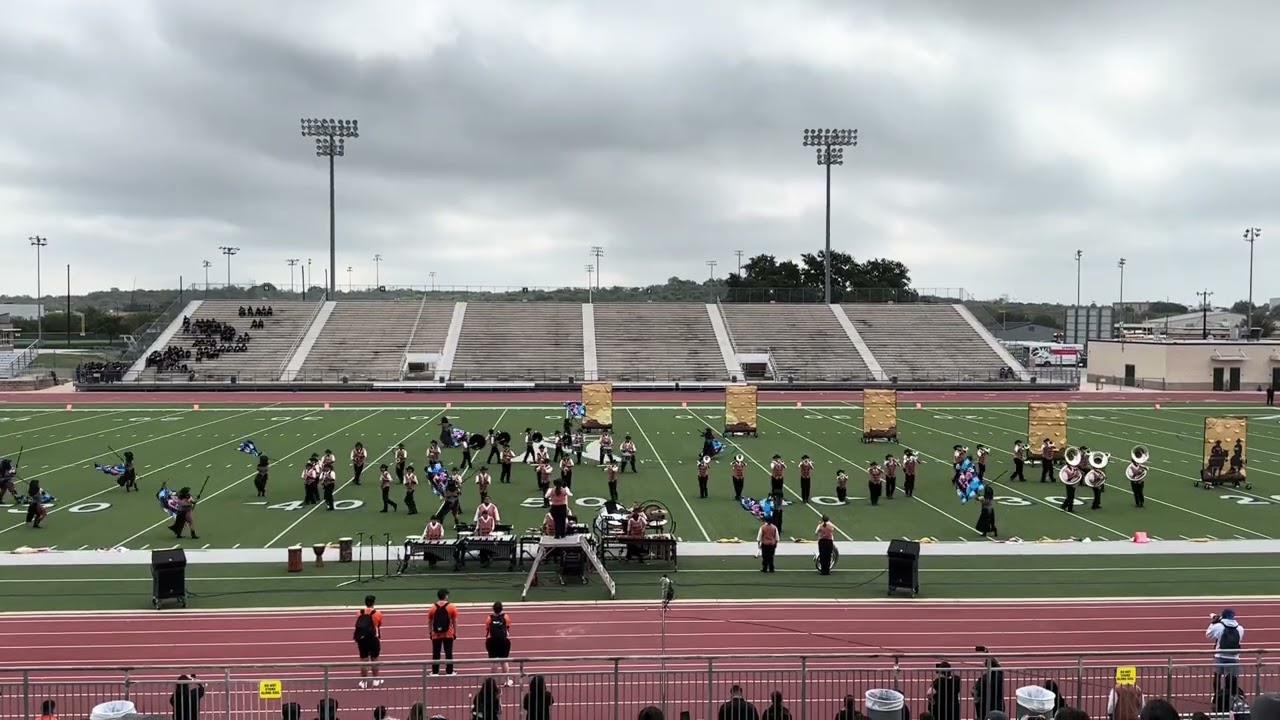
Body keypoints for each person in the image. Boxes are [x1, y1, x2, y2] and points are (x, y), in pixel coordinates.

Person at [354, 594, 384, 689]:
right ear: (373, 603)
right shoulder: (378, 613)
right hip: (373, 638)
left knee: (364, 660)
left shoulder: (359, 612)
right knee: (374, 659)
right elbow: (379, 625)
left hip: (362, 639)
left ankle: (364, 682)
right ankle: (375, 680)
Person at [428, 588, 458, 676]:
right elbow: (454, 621)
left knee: (436, 653)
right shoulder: (451, 607)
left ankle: (435, 671)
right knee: (448, 653)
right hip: (448, 634)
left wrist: (430, 633)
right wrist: (455, 633)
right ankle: (449, 671)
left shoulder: (433, 607)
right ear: (445, 596)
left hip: (436, 634)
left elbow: (430, 621)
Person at [1207, 609, 1244, 678]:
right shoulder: (1240, 628)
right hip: (1234, 656)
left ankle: (1217, 689)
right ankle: (1231, 688)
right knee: (1232, 678)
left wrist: (1213, 623)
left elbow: (1208, 635)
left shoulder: (1219, 626)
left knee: (1217, 676)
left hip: (1220, 655)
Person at [485, 601, 514, 683]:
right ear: (501, 609)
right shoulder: (506, 617)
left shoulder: (489, 618)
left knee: (493, 662)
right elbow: (508, 628)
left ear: (493, 609)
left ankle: (492, 681)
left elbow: (487, 630)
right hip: (503, 642)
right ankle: (507, 680)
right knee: (504, 661)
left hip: (492, 642)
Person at [972, 654, 1004, 720]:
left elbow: (974, 692)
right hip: (999, 706)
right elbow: (998, 664)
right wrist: (988, 653)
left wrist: (976, 701)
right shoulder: (1000, 675)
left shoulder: (983, 679)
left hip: (985, 708)